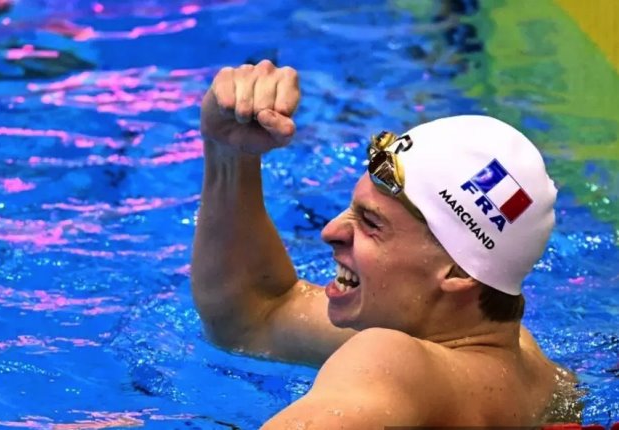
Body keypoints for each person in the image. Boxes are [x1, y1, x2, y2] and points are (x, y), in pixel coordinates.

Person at [191, 60, 581, 428]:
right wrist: (229, 155)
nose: (330, 231)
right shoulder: (545, 378)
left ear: (460, 271)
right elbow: (256, 315)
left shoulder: (392, 362)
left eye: (371, 223)